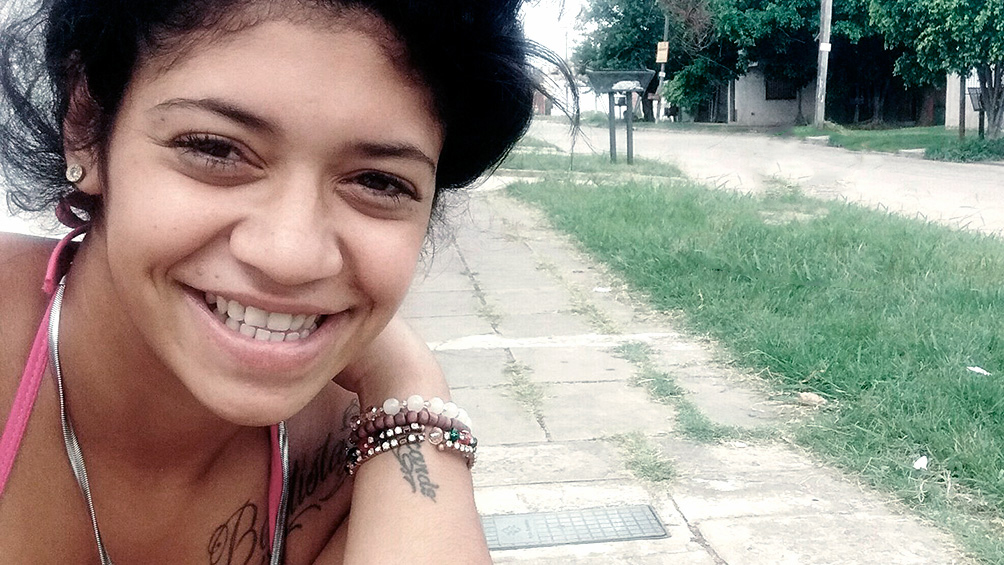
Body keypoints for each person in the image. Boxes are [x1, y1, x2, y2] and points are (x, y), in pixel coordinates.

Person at [0, 0, 568, 562]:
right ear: (86, 122)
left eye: (378, 182)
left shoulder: (366, 463)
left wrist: (408, 380)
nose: (291, 258)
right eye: (216, 149)